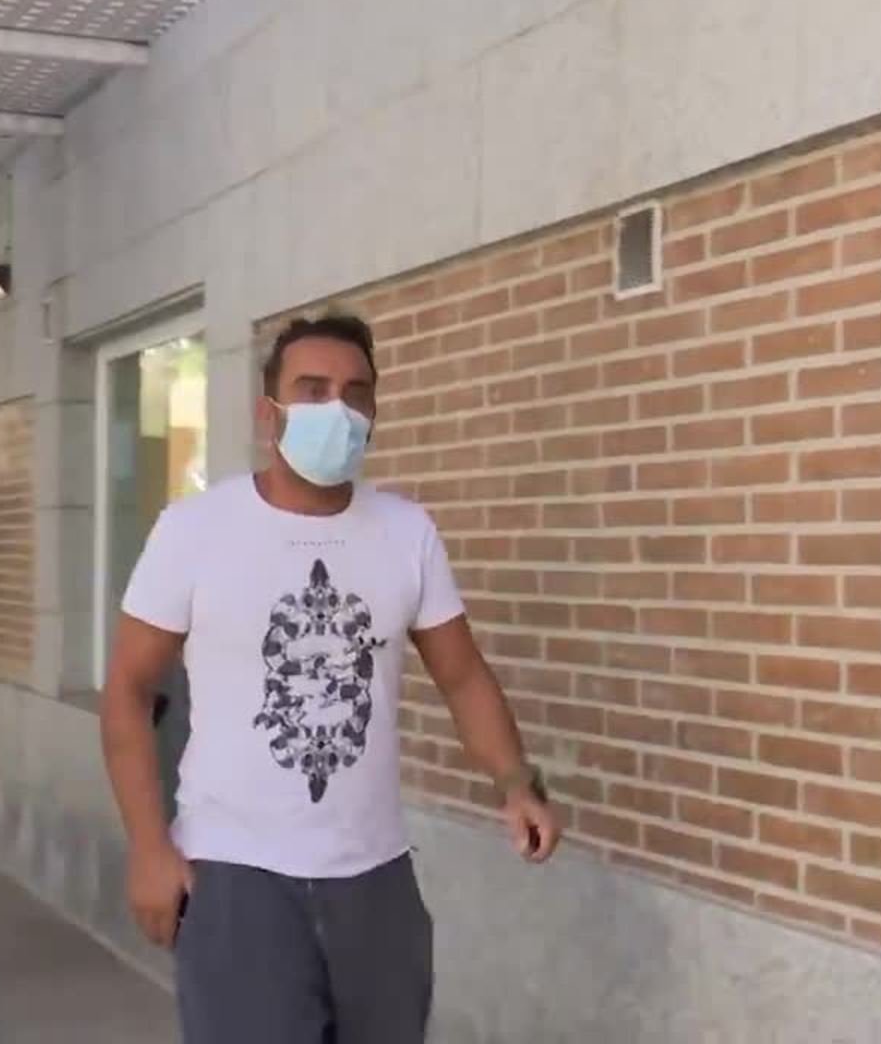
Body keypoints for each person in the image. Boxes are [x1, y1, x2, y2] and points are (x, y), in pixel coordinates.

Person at [102, 314, 561, 1044]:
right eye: (312, 390)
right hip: (235, 878)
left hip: (377, 883)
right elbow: (128, 690)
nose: (337, 410)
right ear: (269, 412)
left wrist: (514, 782)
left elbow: (463, 675)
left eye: (355, 393)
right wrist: (149, 849)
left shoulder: (407, 532)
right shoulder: (194, 531)